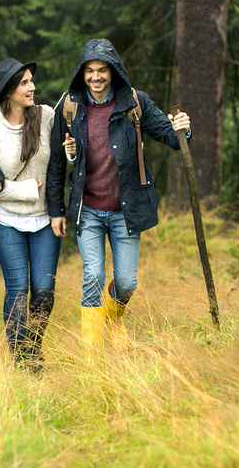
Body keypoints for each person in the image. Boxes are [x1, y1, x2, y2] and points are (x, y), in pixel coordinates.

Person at [45, 38, 191, 348]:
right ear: (82, 73)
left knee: (126, 282)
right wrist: (56, 210)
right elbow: (56, 163)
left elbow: (172, 138)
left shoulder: (134, 103)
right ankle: (92, 360)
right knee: (92, 278)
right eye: (89, 71)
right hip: (89, 210)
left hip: (126, 210)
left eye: (102, 71)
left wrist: (183, 128)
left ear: (113, 72)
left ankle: (113, 320)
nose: (95, 78)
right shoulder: (70, 106)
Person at [0, 58, 59, 368]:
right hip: (6, 220)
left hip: (45, 219)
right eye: (24, 83)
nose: (32, 87)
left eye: (31, 80)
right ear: (7, 91)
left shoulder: (46, 116)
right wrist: (19, 190)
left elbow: (63, 156)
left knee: (45, 291)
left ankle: (33, 345)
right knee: (19, 289)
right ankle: (21, 358)